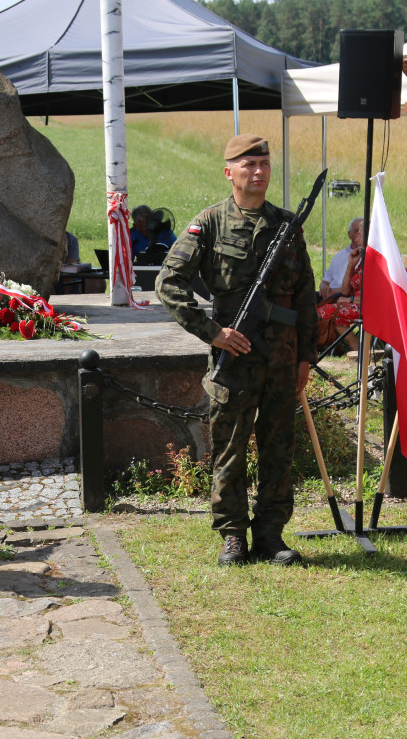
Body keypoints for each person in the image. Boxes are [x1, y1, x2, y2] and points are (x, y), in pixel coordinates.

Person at [156, 133, 317, 567]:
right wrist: (212, 332)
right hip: (235, 358)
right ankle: (232, 535)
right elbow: (168, 283)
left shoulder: (288, 225)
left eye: (264, 164)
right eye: (249, 166)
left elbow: (305, 295)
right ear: (230, 173)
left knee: (278, 449)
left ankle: (270, 535)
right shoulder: (209, 224)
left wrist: (306, 358)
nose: (259, 172)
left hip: (282, 360)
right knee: (230, 449)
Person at [317, 218, 363, 353]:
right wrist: (350, 265)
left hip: (369, 308)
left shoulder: (374, 262)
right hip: (354, 303)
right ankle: (357, 352)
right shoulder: (359, 257)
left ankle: (313, 349)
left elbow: (371, 297)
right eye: (355, 233)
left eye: (359, 234)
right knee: (335, 316)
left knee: (321, 312)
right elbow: (345, 290)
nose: (356, 238)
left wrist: (347, 299)